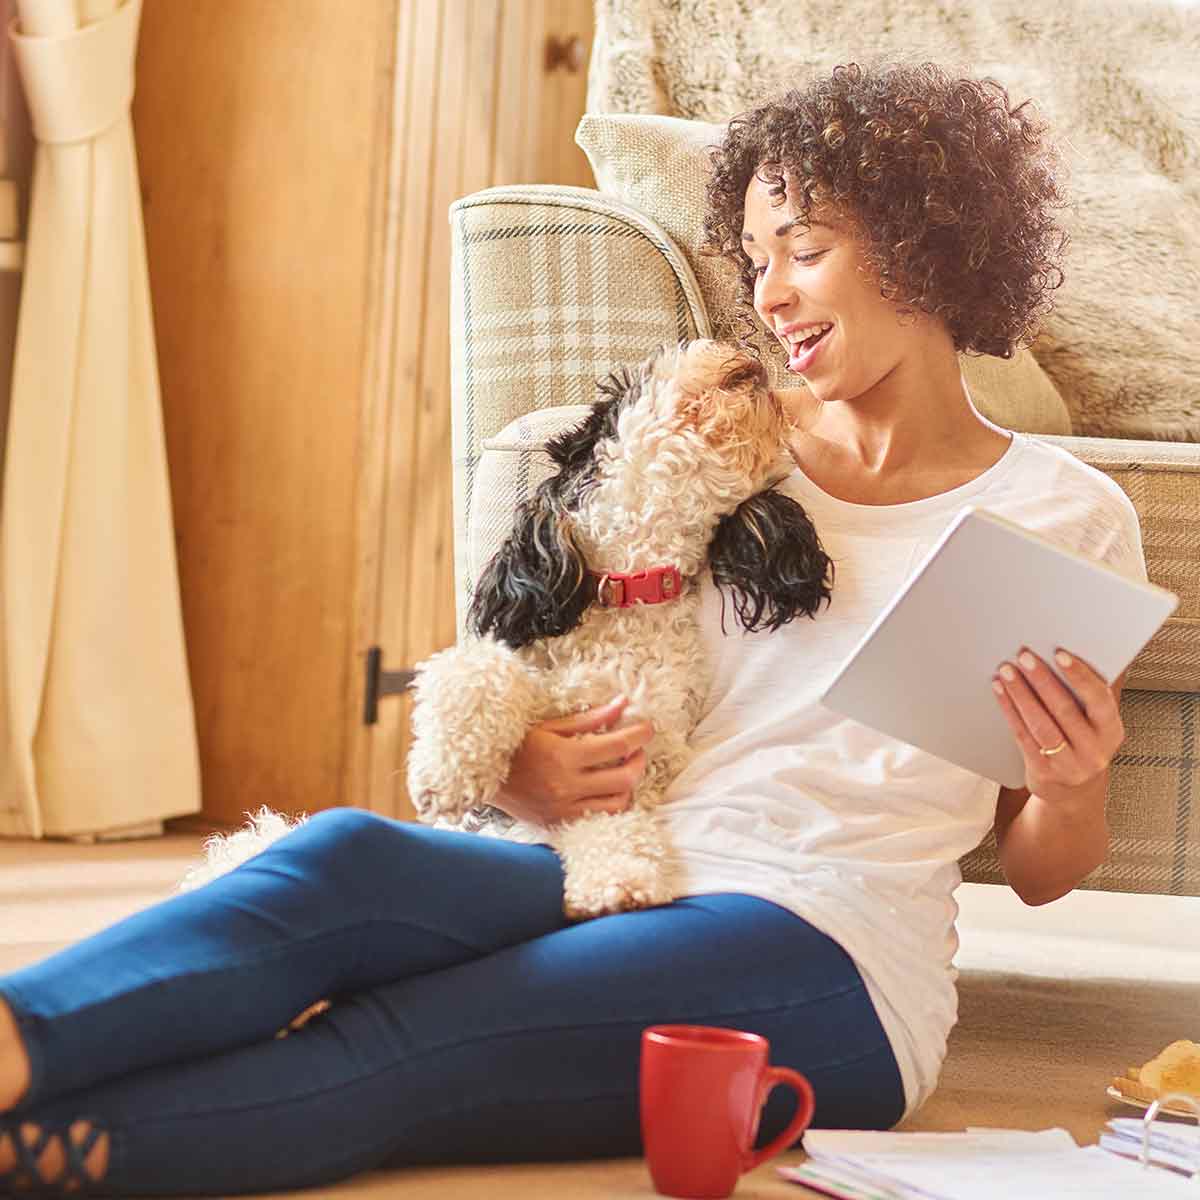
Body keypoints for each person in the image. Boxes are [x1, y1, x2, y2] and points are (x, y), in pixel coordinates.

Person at [0, 59, 1146, 1196]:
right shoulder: (712, 435)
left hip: (828, 945)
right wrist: (522, 766)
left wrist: (1071, 782)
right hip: (610, 864)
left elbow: (1040, 869)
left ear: (925, 244)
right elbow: (565, 649)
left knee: (408, 1038)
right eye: (756, 262)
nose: (770, 298)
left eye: (804, 251)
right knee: (335, 861)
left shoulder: (1061, 515)